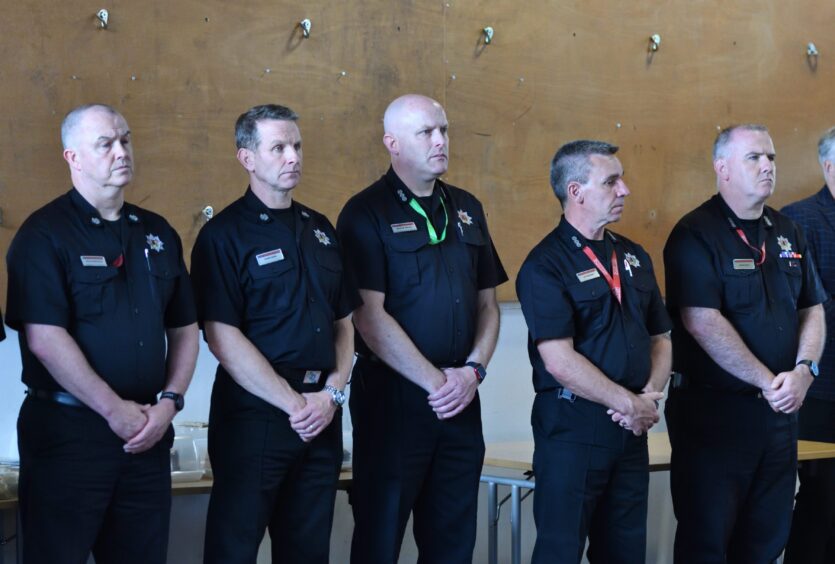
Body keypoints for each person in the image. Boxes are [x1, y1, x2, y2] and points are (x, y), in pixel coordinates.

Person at [4, 103, 199, 564]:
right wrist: (115, 412)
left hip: (147, 435)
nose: (121, 151)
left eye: (125, 140)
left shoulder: (157, 233)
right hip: (69, 440)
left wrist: (169, 404)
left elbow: (186, 329)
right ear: (73, 156)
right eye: (105, 143)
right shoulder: (44, 235)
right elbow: (45, 340)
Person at [336, 94, 507, 563]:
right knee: (381, 536)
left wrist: (471, 372)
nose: (440, 141)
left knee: (453, 541)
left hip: (461, 400)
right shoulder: (364, 212)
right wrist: (437, 383)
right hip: (396, 402)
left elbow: (489, 305)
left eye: (444, 130)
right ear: (392, 143)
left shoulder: (467, 207)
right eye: (425, 133)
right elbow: (368, 317)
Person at [190, 104, 359, 564]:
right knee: (234, 548)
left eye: (297, 146)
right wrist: (293, 403)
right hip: (257, 416)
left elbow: (345, 322)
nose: (292, 157)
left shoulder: (320, 228)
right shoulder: (222, 236)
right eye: (278, 147)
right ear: (247, 158)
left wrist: (333, 393)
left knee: (307, 551)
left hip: (322, 412)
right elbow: (222, 337)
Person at [663, 124, 826, 562]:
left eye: (771, 157)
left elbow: (813, 309)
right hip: (716, 415)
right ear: (722, 168)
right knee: (708, 540)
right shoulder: (695, 233)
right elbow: (700, 321)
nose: (767, 166)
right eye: (754, 157)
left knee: (766, 538)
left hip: (778, 417)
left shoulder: (788, 230)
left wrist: (805, 370)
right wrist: (771, 381)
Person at [516, 140, 671, 563]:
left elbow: (661, 339)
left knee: (625, 552)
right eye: (611, 181)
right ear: (576, 191)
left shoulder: (634, 255)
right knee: (560, 551)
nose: (625, 190)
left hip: (630, 429)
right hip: (574, 429)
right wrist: (628, 402)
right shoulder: (544, 265)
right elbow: (559, 361)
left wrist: (647, 399)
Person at [780, 126, 835, 564]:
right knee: (822, 497)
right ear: (829, 166)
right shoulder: (798, 221)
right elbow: (803, 307)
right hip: (821, 387)